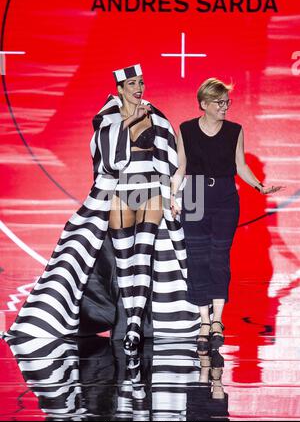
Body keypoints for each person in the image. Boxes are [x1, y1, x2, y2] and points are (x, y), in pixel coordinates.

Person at [5, 64, 199, 353]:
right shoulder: (108, 118)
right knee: (124, 263)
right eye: (132, 83)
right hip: (121, 190)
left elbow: (172, 158)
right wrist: (130, 123)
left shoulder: (155, 115)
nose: (138, 88)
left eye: (141, 82)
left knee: (144, 256)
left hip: (151, 189)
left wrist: (176, 193)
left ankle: (134, 323)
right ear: (120, 89)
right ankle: (127, 321)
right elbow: (107, 160)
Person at [170, 77, 284, 355]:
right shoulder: (185, 129)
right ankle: (204, 322)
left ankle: (218, 319)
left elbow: (240, 165)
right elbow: (181, 167)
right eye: (220, 102)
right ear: (204, 104)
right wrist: (173, 196)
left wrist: (259, 186)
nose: (225, 107)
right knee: (197, 258)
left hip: (224, 194)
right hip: (194, 191)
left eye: (227, 102)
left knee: (219, 257)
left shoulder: (235, 130)